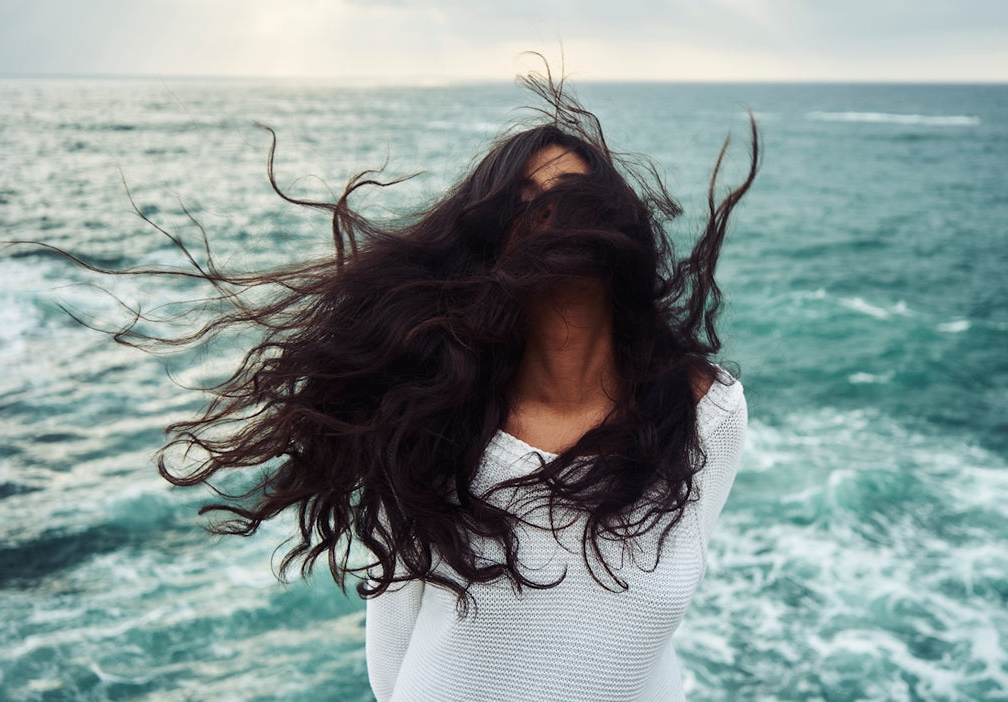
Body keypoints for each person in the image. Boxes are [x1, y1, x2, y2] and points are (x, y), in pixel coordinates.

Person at [49, 68, 757, 700]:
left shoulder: (708, 412)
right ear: (488, 243)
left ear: (619, 222)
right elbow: (392, 653)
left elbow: (653, 618)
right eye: (521, 200)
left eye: (571, 194)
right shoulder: (436, 419)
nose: (548, 212)